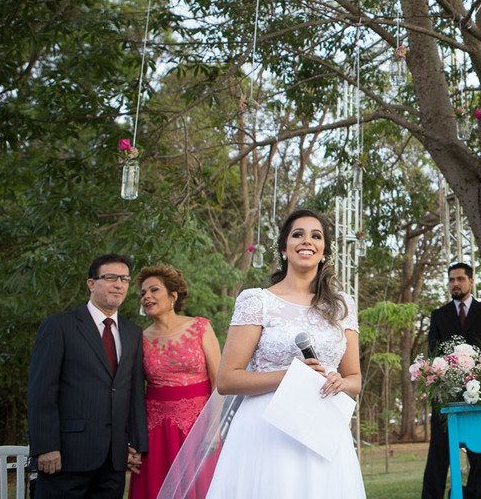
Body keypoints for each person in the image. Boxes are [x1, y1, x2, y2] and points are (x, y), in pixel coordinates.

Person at [202, 209, 364, 499]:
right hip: (267, 430)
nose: (307, 241)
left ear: (324, 252)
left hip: (322, 429)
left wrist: (341, 383)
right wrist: (291, 376)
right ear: (283, 249)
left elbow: (354, 378)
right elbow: (226, 380)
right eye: (298, 234)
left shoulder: (342, 306)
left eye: (316, 236)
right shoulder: (257, 301)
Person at [27, 253, 147, 499]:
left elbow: (134, 391)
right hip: (65, 457)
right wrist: (46, 447)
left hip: (114, 460)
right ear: (91, 283)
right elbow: (41, 391)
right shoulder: (59, 326)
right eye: (111, 277)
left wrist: (136, 442)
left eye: (124, 279)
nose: (119, 284)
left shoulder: (133, 333)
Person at [129, 265, 221, 499]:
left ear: (173, 296)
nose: (146, 296)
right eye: (143, 293)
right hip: (156, 434)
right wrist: (133, 440)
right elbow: (133, 394)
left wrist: (213, 429)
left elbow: (219, 382)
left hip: (199, 428)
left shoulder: (201, 327)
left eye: (154, 290)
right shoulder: (138, 339)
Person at [422, 263, 481, 499]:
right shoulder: (439, 315)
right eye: (451, 280)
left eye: (460, 279)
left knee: (479, 453)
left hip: (478, 395)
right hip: (444, 395)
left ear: (471, 281)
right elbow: (433, 353)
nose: (455, 284)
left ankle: (476, 496)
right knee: (438, 452)